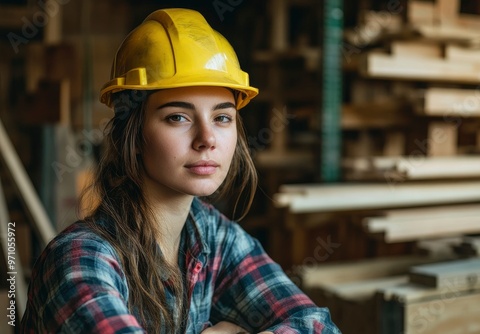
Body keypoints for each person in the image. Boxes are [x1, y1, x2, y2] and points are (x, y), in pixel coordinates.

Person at [20, 8, 340, 334]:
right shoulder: (79, 262)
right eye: (178, 117)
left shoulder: (211, 236)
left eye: (222, 117)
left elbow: (317, 326)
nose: (207, 139)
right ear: (133, 133)